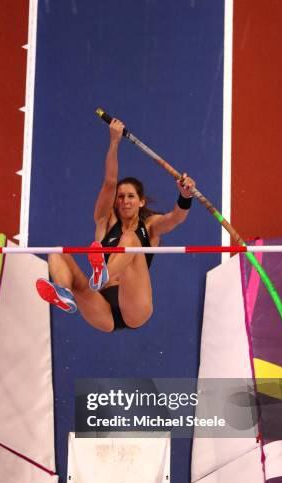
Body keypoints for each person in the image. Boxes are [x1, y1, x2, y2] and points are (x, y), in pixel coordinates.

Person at [36, 118, 195, 332]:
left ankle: (103, 274)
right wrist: (114, 142)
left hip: (136, 307)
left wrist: (185, 196)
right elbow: (110, 182)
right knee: (56, 253)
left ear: (141, 201)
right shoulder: (105, 222)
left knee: (129, 239)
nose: (125, 201)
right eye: (120, 197)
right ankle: (64, 293)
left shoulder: (150, 227)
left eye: (130, 196)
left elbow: (176, 217)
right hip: (103, 310)